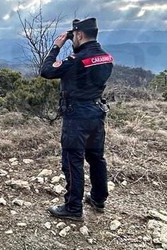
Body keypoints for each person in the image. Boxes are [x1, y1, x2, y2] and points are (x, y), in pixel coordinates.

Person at [40, 17, 113, 221]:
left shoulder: (76, 60)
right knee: (96, 157)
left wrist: (56, 47)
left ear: (79, 35)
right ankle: (98, 198)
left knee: (73, 161)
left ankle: (73, 208)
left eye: (73, 36)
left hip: (77, 116)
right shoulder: (106, 57)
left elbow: (46, 71)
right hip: (97, 113)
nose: (72, 40)